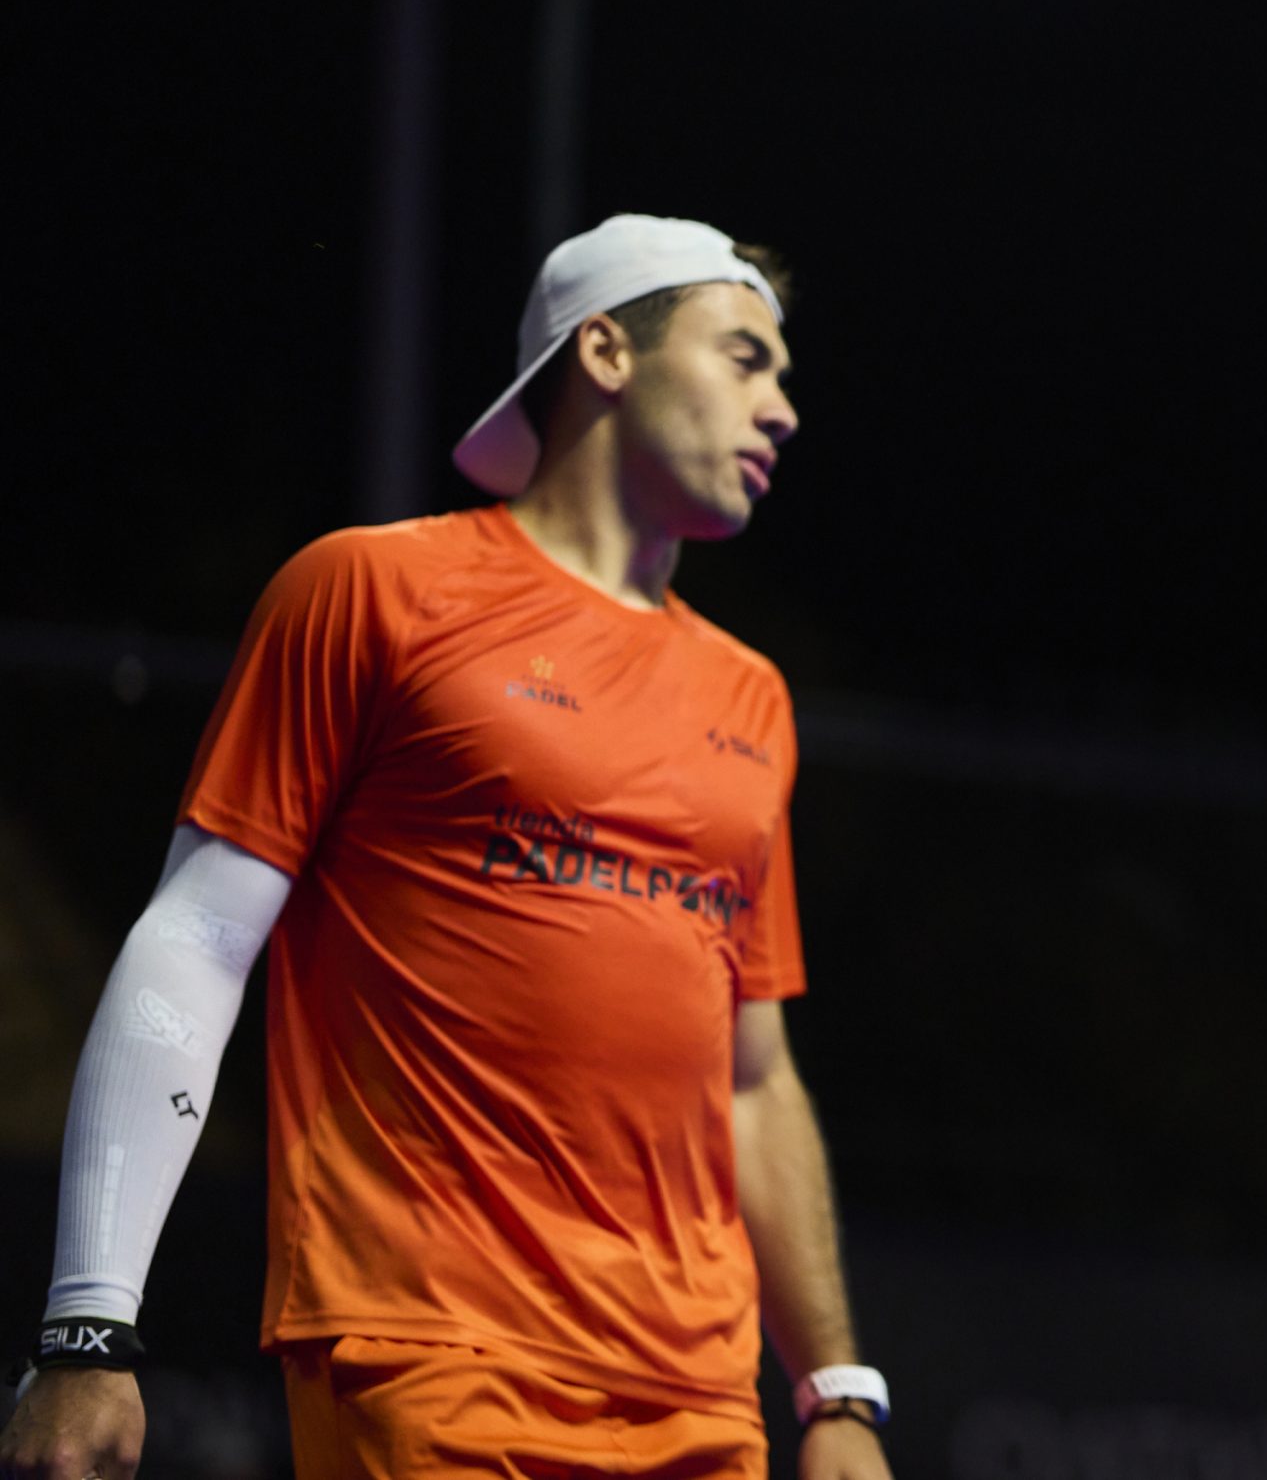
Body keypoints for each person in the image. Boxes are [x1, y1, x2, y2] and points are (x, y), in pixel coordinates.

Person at [3, 215, 894, 1480]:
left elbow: (754, 1074)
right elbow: (197, 942)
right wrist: (88, 1325)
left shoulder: (751, 697)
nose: (785, 408)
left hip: (700, 1400)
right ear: (605, 351)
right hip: (428, 1356)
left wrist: (837, 1393)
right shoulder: (369, 592)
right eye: (748, 358)